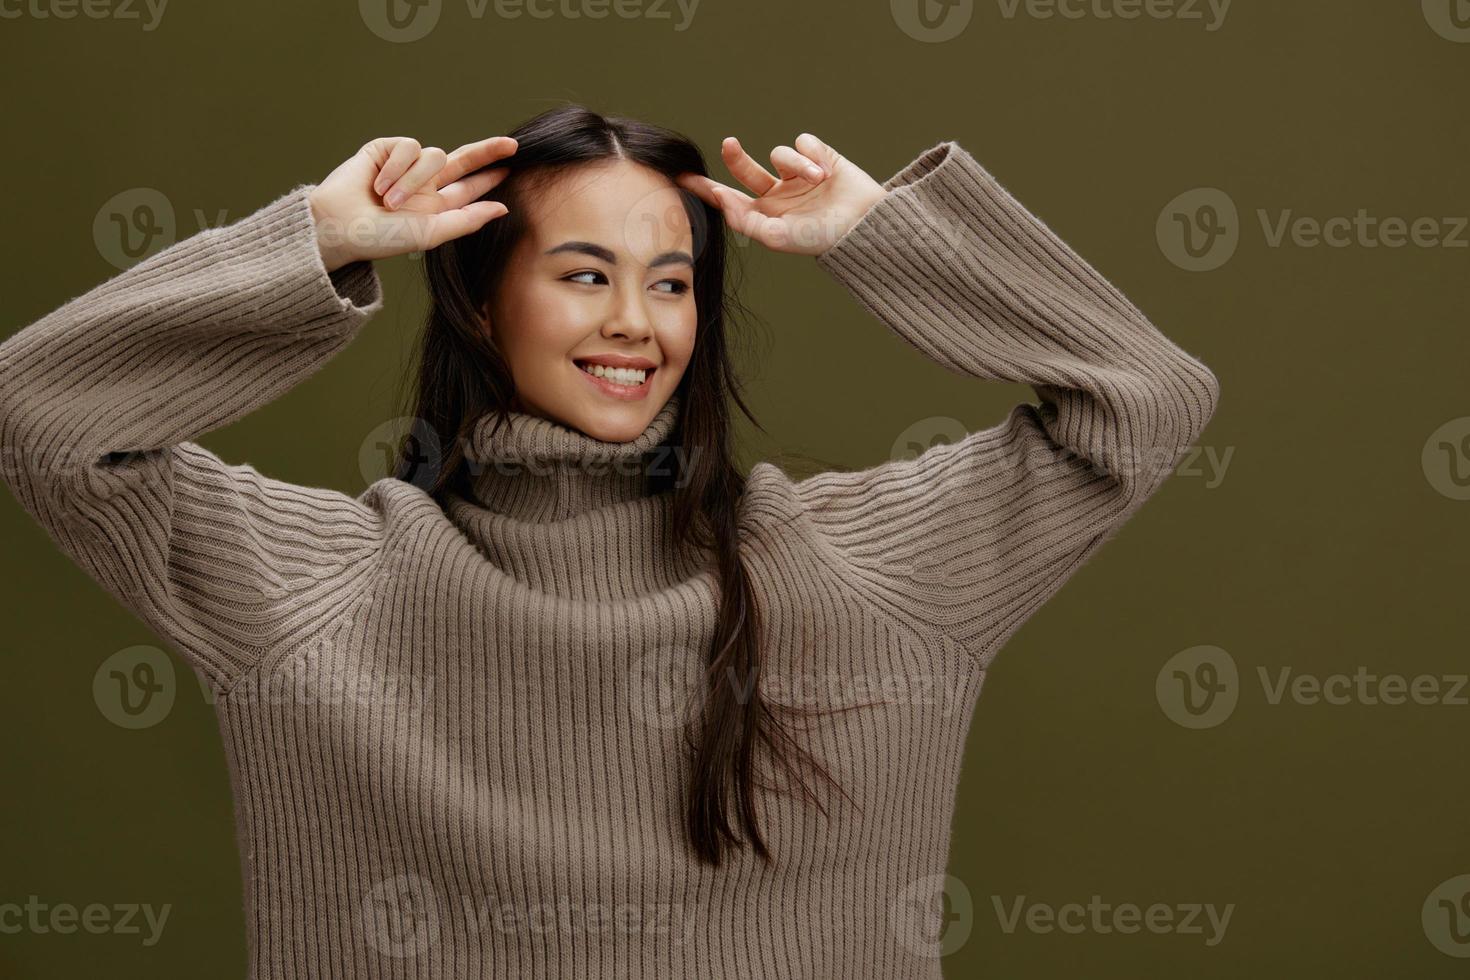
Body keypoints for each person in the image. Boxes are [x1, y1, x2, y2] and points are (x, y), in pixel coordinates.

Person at [0, 103, 1220, 977]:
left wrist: (887, 235)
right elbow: (40, 420)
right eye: (584, 275)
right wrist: (314, 242)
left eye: (674, 282)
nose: (636, 322)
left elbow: (1145, 404)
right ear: (482, 299)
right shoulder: (322, 584)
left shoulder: (851, 566)